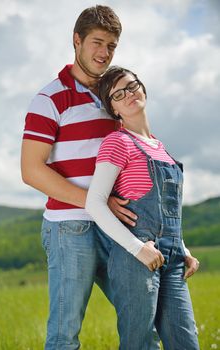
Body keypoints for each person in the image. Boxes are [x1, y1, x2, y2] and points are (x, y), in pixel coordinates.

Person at [20, 6, 137, 350]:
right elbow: (31, 170)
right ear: (77, 40)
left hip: (118, 227)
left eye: (112, 46)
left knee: (148, 318)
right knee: (64, 335)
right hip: (72, 227)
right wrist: (98, 203)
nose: (104, 53)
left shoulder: (115, 97)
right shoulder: (49, 98)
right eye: (97, 42)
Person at [86, 66, 200, 349]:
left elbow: (168, 210)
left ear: (143, 88)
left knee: (186, 342)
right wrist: (138, 248)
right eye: (118, 94)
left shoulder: (161, 148)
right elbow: (94, 203)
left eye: (132, 86)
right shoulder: (118, 142)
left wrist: (183, 249)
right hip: (136, 258)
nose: (129, 95)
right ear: (113, 109)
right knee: (138, 343)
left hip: (172, 261)